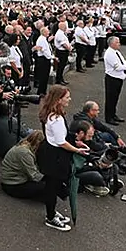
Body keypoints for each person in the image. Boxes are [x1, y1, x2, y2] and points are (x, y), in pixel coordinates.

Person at [37, 85, 88, 232]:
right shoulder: (57, 119)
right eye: (66, 97)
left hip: (50, 152)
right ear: (58, 100)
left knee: (51, 186)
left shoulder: (50, 113)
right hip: (56, 157)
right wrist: (77, 149)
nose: (69, 99)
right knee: (52, 187)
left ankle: (51, 212)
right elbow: (62, 142)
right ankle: (50, 217)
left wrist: (75, 142)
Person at [0, 131, 46, 200]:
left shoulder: (23, 145)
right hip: (12, 184)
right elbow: (34, 175)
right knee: (47, 186)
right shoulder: (25, 153)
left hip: (11, 179)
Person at [103, 37, 126, 125]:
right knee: (110, 99)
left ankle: (113, 114)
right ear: (111, 44)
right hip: (112, 78)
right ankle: (109, 117)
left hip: (118, 78)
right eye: (117, 42)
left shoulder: (117, 52)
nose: (119, 43)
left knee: (115, 98)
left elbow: (123, 62)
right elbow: (118, 67)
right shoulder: (109, 54)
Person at [33, 27, 56, 96]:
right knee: (43, 77)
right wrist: (52, 57)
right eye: (47, 31)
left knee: (45, 77)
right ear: (44, 32)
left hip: (45, 59)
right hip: (43, 59)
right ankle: (41, 92)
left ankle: (43, 91)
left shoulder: (43, 39)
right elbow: (44, 51)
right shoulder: (41, 40)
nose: (48, 32)